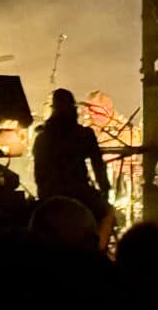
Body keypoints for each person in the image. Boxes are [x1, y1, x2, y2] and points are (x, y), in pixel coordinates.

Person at [33, 88, 113, 247]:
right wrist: (105, 190)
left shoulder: (42, 137)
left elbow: (39, 174)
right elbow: (98, 166)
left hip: (51, 195)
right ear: (73, 109)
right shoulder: (84, 134)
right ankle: (97, 251)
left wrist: (44, 197)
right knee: (107, 214)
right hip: (80, 193)